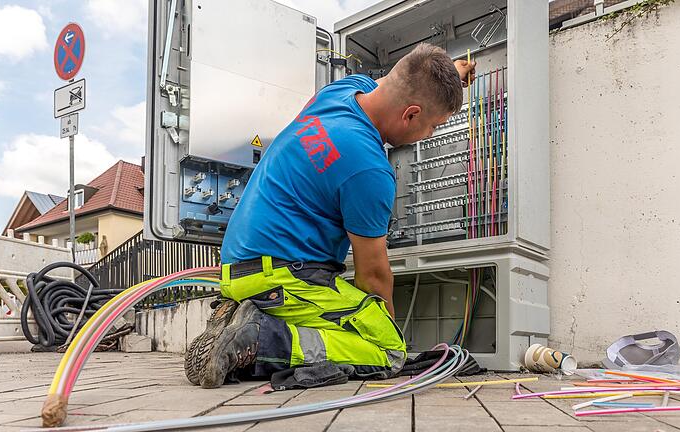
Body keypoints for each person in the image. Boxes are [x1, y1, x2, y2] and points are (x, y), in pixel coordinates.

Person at [185, 43, 475, 388]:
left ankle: (245, 315)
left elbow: (396, 81)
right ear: (410, 114)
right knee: (387, 351)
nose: (428, 134)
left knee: (354, 326)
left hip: (241, 269)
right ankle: (260, 341)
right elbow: (374, 277)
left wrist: (449, 76)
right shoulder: (369, 169)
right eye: (432, 125)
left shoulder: (343, 92)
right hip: (285, 277)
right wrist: (384, 336)